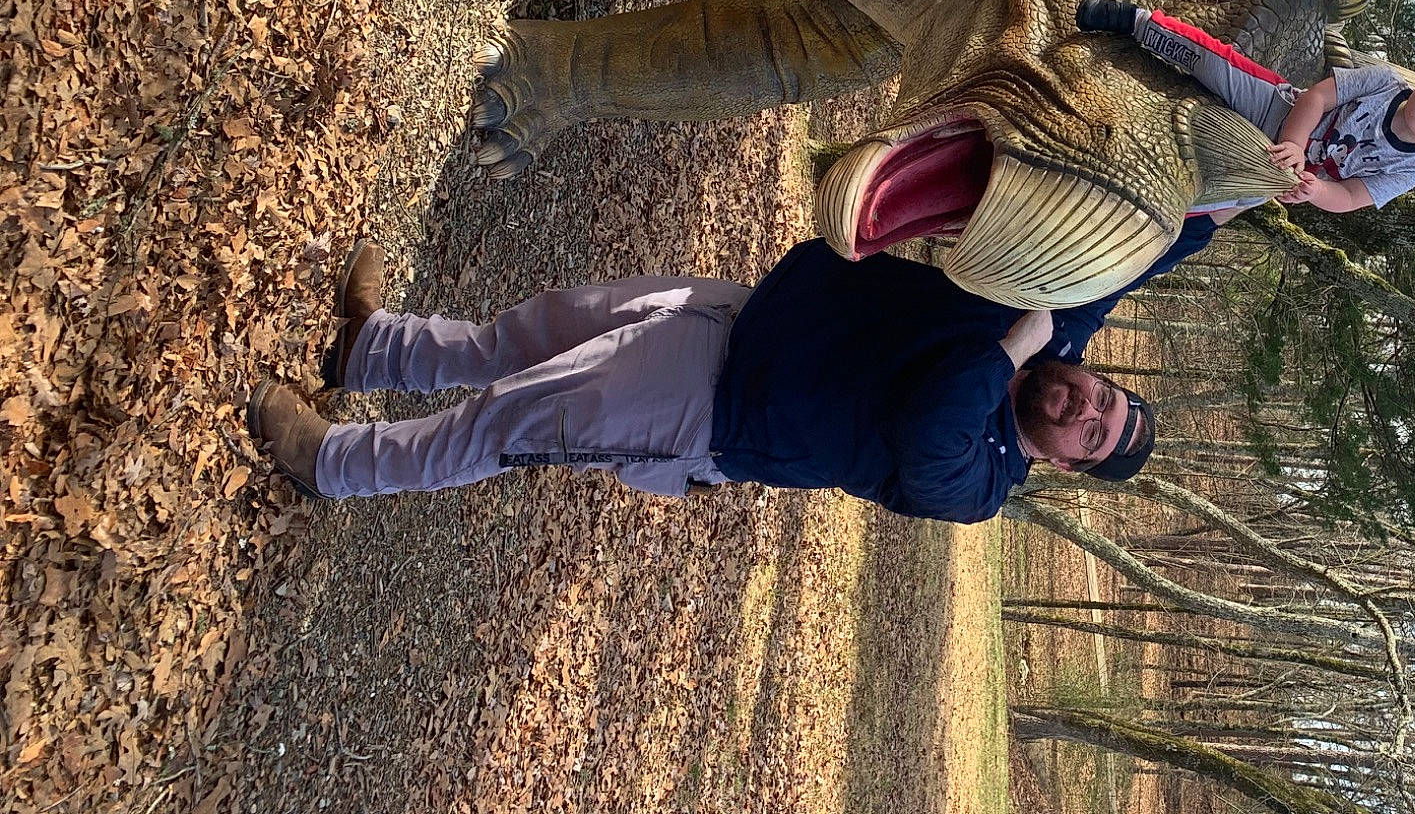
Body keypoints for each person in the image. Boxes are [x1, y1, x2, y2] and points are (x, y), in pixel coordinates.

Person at [245, 218, 1218, 523]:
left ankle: (332, 464)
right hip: (739, 317)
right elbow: (1127, 259)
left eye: (1091, 434)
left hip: (710, 413)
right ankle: (371, 349)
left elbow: (931, 425)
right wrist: (1246, 195)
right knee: (537, 330)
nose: (1082, 406)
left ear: (1070, 465)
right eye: (1102, 398)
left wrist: (1010, 347)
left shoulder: (979, 485)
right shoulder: (1059, 333)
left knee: (514, 418)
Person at [1077, 0, 1415, 215]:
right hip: (1279, 110)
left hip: (1277, 174)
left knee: (1196, 206)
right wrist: (1293, 141)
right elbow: (1319, 96)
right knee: (1217, 64)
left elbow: (1350, 197)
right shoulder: (1385, 81)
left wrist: (1312, 191)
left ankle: (1115, 201)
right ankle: (1137, 24)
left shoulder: (1410, 171)